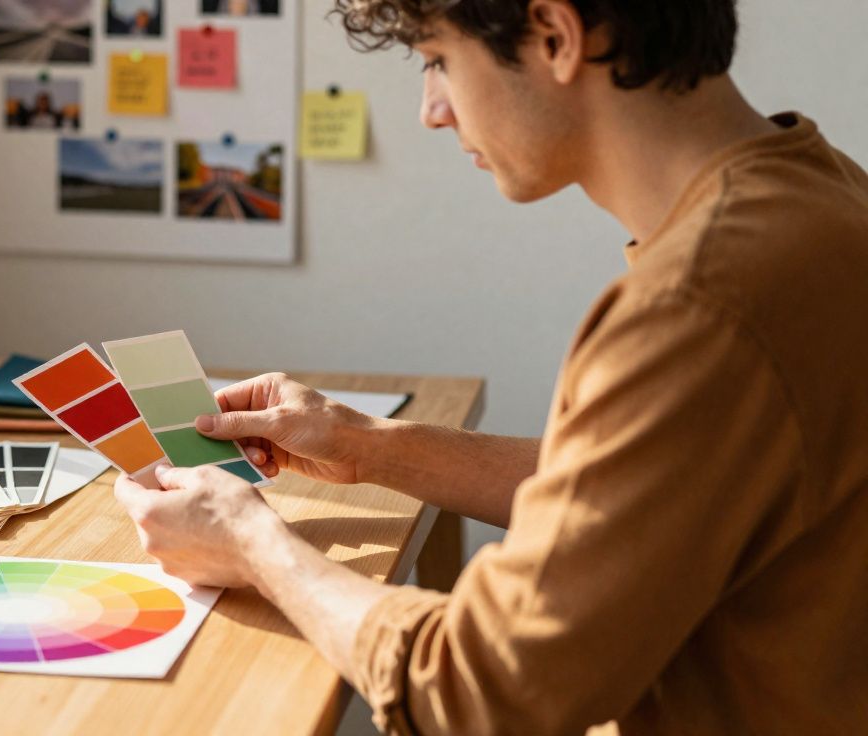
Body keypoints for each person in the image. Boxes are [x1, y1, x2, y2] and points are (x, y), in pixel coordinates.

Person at [112, 1, 868, 733]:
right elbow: (657, 489)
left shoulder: (697, 303)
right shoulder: (819, 191)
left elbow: (485, 694)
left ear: (555, 35)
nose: (432, 110)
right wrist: (364, 444)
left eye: (439, 61)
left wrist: (253, 545)